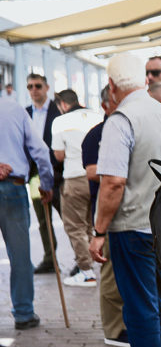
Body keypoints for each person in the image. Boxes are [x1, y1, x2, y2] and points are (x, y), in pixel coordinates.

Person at [88, 54, 161, 347]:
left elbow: (113, 183)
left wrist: (98, 231)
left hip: (132, 226)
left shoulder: (121, 120)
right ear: (143, 80)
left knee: (140, 303)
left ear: (112, 87)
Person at [0, 96, 54, 329]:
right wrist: (47, 183)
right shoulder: (15, 110)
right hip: (13, 187)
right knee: (20, 255)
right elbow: (40, 150)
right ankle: (23, 314)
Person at [82, 86, 128, 347]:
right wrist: (120, 164)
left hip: (132, 215)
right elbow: (91, 171)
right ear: (105, 105)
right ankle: (114, 330)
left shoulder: (128, 127)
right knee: (110, 272)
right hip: (106, 214)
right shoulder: (96, 135)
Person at [51, 89, 102, 287]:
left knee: (75, 227)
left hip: (74, 177)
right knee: (91, 225)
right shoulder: (96, 116)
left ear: (63, 104)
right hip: (97, 176)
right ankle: (93, 263)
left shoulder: (60, 122)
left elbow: (59, 155)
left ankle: (86, 271)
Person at [25, 73, 64, 274]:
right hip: (35, 175)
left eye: (37, 85)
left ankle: (82, 260)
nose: (34, 90)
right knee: (43, 220)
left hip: (59, 173)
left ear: (46, 87)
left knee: (68, 217)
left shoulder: (58, 110)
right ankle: (50, 258)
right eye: (30, 86)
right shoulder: (25, 113)